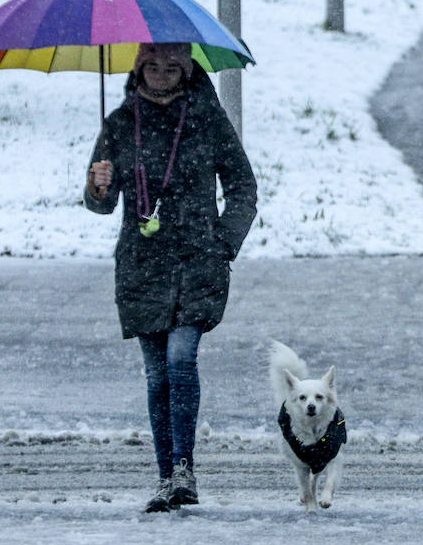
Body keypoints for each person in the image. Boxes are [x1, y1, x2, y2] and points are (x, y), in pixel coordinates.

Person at [84, 41, 257, 513]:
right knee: (157, 374)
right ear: (139, 69)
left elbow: (243, 185)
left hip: (198, 259)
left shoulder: (207, 119)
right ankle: (166, 476)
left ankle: (184, 467)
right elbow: (100, 202)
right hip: (142, 264)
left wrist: (224, 242)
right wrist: (97, 186)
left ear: (186, 71)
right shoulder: (119, 124)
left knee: (181, 359)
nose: (161, 73)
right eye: (152, 65)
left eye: (171, 66)